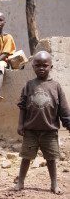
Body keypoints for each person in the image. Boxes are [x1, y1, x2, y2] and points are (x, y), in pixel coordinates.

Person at [14, 51, 70, 195]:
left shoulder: (56, 87)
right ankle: (20, 181)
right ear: (32, 66)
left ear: (51, 66)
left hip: (49, 132)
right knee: (26, 157)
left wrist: (68, 124)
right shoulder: (29, 85)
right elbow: (22, 106)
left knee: (51, 159)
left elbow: (64, 110)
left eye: (45, 65)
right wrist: (20, 124)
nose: (41, 68)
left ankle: (54, 184)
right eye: (37, 65)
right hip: (31, 131)